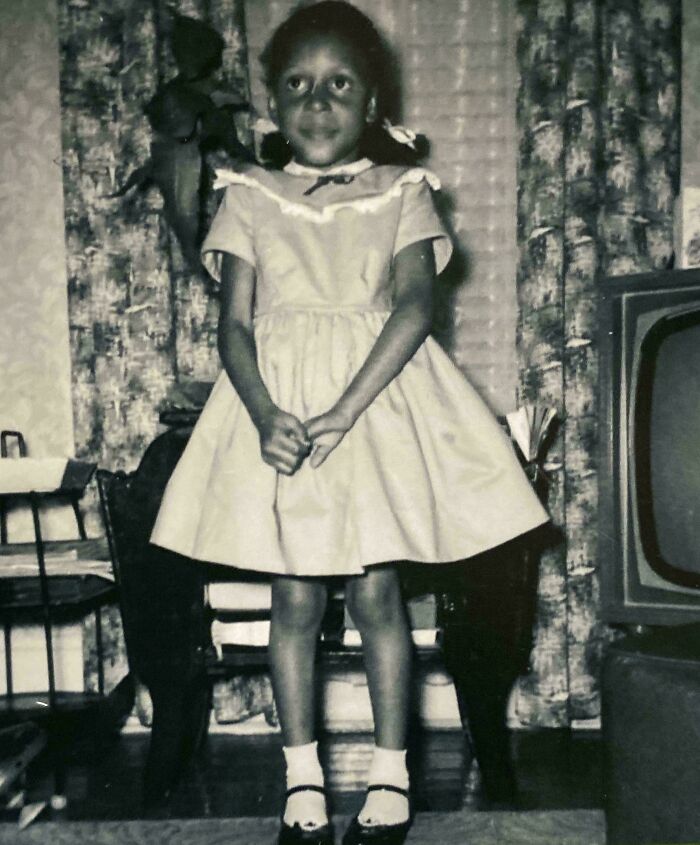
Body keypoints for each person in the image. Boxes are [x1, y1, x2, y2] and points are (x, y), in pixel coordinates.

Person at [151, 3, 549, 843]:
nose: (318, 102)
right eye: (297, 84)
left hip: (374, 406)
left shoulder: (402, 190)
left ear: (372, 103)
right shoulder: (249, 196)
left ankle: (391, 775)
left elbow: (412, 307)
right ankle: (301, 778)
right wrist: (266, 415)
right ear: (272, 106)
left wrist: (344, 409)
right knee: (292, 594)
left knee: (377, 593)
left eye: (339, 85)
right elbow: (234, 326)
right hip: (282, 410)